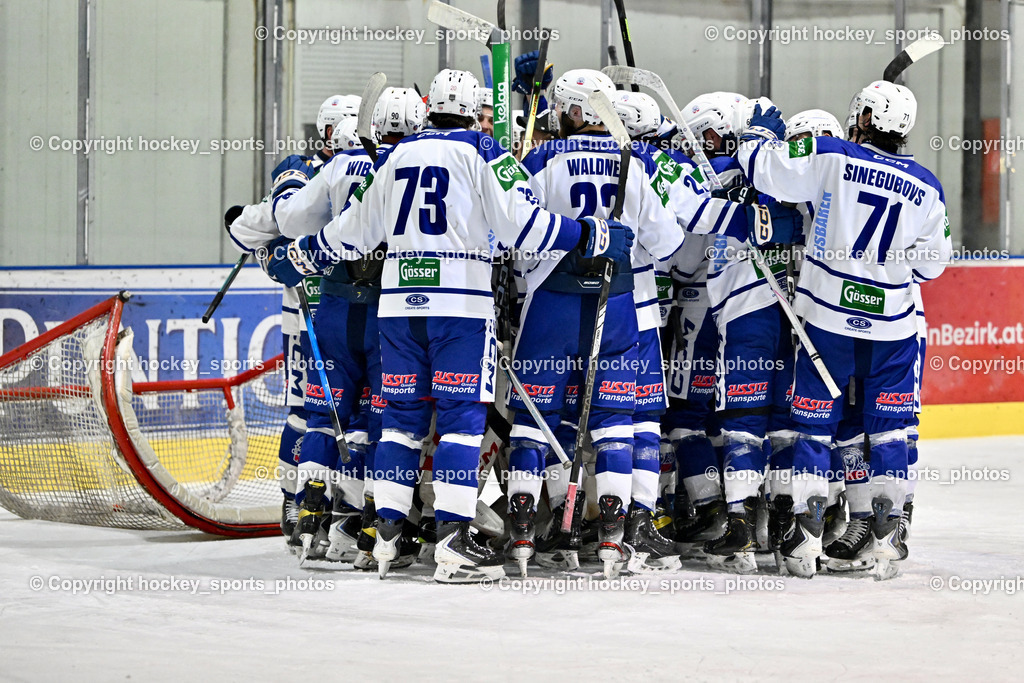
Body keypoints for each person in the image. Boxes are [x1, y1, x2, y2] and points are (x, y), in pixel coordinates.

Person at [267, 68, 633, 584]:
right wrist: (588, 233)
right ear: (470, 109)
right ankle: (454, 541)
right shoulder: (484, 151)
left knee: (400, 420)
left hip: (397, 309)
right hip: (459, 309)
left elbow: (351, 232)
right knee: (461, 422)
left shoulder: (397, 156)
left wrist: (301, 255)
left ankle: (387, 533)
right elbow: (522, 228)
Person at [737, 81, 951, 578]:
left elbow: (766, 171)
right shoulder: (927, 185)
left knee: (814, 426)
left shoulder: (831, 154)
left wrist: (756, 137)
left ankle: (805, 537)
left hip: (826, 321)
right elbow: (932, 266)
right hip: (894, 328)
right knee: (890, 431)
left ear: (859, 116)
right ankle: (887, 536)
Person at [223, 94, 357, 549]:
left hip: (348, 307)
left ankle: (339, 501)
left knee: (348, 411)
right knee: (305, 409)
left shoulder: (361, 167)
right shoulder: (298, 171)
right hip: (304, 313)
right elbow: (261, 228)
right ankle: (291, 497)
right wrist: (268, 250)